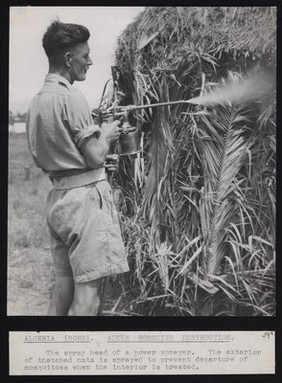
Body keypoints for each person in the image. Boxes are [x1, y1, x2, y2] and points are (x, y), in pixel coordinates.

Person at [26, 20, 129, 316]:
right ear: (69, 58)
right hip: (84, 202)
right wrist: (106, 133)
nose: (90, 61)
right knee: (89, 300)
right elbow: (96, 157)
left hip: (57, 200)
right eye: (85, 56)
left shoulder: (36, 101)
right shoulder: (72, 97)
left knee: (61, 291)